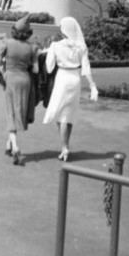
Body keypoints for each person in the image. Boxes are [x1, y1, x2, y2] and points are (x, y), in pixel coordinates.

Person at [43, 16, 98, 161]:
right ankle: (66, 145)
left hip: (62, 77)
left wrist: (48, 53)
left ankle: (64, 148)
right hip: (75, 78)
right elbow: (86, 68)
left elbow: (49, 69)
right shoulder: (82, 47)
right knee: (70, 114)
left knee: (61, 116)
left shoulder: (55, 45)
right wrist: (92, 86)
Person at [0, 14, 38, 165]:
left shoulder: (7, 43)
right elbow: (36, 70)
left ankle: (15, 147)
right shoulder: (32, 47)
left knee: (11, 112)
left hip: (11, 79)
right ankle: (9, 144)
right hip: (25, 79)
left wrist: (7, 60)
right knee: (19, 110)